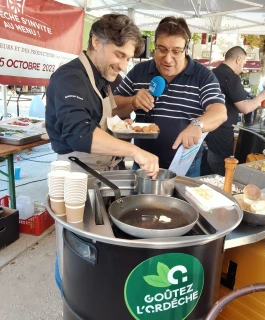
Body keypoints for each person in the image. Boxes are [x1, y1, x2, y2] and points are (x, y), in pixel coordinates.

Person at [45, 14, 159, 296]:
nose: (122, 65)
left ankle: (98, 296)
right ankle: (73, 302)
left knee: (102, 246)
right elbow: (80, 133)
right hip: (78, 176)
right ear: (96, 41)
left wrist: (131, 105)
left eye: (128, 58)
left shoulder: (102, 76)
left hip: (103, 173)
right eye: (119, 54)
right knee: (76, 253)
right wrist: (135, 150)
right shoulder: (69, 78)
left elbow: (105, 112)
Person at [113, 16, 227, 176]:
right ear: (154, 47)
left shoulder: (203, 76)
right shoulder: (140, 71)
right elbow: (112, 107)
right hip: (143, 164)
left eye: (176, 51)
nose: (167, 58)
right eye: (162, 49)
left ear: (186, 49)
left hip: (186, 167)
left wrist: (197, 125)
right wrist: (132, 101)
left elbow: (219, 112)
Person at [201, 46, 265, 176]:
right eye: (244, 63)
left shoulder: (210, 74)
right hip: (221, 132)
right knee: (220, 172)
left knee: (205, 169)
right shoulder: (231, 77)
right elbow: (245, 107)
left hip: (205, 128)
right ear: (238, 59)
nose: (243, 67)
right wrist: (262, 96)